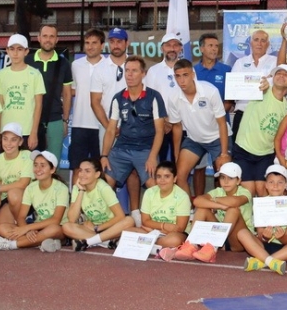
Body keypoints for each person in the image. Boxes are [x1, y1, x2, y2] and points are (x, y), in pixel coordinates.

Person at [100, 55, 167, 215]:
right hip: (122, 148)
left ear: (143, 73)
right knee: (104, 182)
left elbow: (160, 130)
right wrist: (104, 155)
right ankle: (106, 219)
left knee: (154, 184)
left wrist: (152, 157)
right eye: (127, 71)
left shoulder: (154, 96)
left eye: (134, 71)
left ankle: (161, 219)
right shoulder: (118, 98)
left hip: (145, 150)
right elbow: (110, 130)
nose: (129, 75)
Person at [168, 58, 230, 197]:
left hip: (217, 138)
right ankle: (188, 211)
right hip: (194, 140)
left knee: (225, 175)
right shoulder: (173, 98)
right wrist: (177, 154)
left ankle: (220, 211)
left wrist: (224, 154)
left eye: (185, 75)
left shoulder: (210, 91)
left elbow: (222, 123)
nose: (182, 80)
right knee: (180, 175)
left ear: (193, 75)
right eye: (178, 76)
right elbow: (177, 127)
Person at [231, 64, 287, 197]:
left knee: (262, 190)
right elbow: (256, 84)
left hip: (266, 155)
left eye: (286, 74)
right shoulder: (261, 90)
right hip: (244, 149)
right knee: (248, 192)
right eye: (278, 73)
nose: (281, 76)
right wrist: (261, 82)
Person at [0, 150, 68, 252]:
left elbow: (56, 220)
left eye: (43, 166)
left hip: (57, 228)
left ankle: (11, 245)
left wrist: (27, 228)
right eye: (35, 165)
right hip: (38, 228)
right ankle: (38, 242)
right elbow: (21, 217)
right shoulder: (31, 188)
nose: (38, 169)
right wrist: (27, 230)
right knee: (1, 228)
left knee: (53, 229)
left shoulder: (62, 189)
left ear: (52, 170)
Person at [239, 164, 287, 275]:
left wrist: (281, 237)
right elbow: (261, 236)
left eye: (280, 182)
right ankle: (271, 262)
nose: (275, 186)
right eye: (271, 182)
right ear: (266, 185)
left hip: (284, 248)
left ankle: (263, 262)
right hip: (263, 247)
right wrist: (265, 237)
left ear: (286, 184)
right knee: (242, 233)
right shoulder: (260, 204)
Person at [63, 158, 134, 252]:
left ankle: (91, 241)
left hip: (111, 227)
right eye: (80, 170)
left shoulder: (104, 188)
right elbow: (72, 219)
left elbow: (120, 216)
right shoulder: (77, 188)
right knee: (66, 227)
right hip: (92, 228)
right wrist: (81, 191)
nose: (82, 174)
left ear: (97, 174)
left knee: (129, 220)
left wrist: (99, 228)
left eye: (87, 171)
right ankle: (105, 241)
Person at [25, 24, 73, 160]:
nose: (48, 39)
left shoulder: (64, 63)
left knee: (53, 162)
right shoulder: (27, 61)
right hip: (30, 119)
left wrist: (65, 120)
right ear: (38, 38)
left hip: (55, 119)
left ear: (57, 39)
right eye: (45, 36)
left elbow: (67, 94)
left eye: (52, 36)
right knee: (30, 164)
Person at [189, 162, 254, 260]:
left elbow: (234, 201)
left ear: (238, 181)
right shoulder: (218, 191)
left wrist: (213, 200)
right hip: (220, 235)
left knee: (233, 210)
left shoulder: (245, 192)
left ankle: (212, 248)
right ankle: (190, 244)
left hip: (239, 239)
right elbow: (198, 201)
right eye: (222, 177)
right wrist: (221, 206)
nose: (226, 181)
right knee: (202, 209)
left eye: (230, 178)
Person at [129, 161, 191, 260]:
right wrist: (163, 226)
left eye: (167, 176)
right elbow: (145, 221)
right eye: (159, 176)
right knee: (127, 232)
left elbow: (180, 228)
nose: (162, 180)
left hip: (173, 234)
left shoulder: (182, 196)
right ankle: (157, 248)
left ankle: (147, 245)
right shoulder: (149, 193)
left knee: (174, 240)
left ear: (174, 179)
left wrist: (156, 230)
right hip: (153, 231)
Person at [0, 33, 46, 151]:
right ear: (7, 50)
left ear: (26, 51)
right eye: (12, 49)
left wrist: (34, 132)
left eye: (19, 49)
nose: (15, 53)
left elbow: (38, 105)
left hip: (27, 131)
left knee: (27, 167)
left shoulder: (35, 74)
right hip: (6, 132)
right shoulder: (0, 75)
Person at [0, 122, 33, 241]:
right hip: (7, 201)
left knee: (13, 193)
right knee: (1, 230)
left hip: (26, 200)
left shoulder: (27, 156)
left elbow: (23, 184)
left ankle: (23, 225)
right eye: (5, 139)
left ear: (20, 142)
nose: (8, 144)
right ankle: (28, 237)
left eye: (13, 140)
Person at [71, 28, 108, 167]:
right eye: (87, 43)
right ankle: (76, 190)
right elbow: (73, 90)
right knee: (77, 167)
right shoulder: (75, 65)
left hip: (102, 125)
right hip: (79, 124)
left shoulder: (109, 66)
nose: (90, 46)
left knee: (101, 168)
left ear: (102, 45)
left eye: (94, 43)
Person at [230, 29, 277, 139]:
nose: (259, 44)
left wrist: (247, 84)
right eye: (256, 40)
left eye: (263, 40)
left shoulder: (275, 62)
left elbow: (277, 87)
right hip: (243, 113)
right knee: (238, 152)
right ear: (251, 43)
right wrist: (261, 85)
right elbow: (234, 88)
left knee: (265, 152)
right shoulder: (240, 63)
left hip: (265, 115)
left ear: (268, 44)